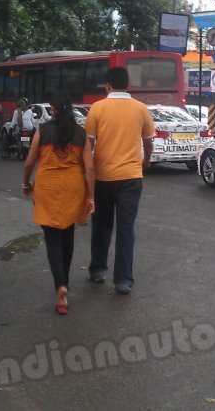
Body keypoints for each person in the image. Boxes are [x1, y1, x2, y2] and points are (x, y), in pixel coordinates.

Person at [23, 93, 95, 314]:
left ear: (52, 109)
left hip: (48, 185)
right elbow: (90, 168)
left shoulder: (43, 130)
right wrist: (91, 196)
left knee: (52, 237)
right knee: (68, 233)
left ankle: (60, 286)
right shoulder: (80, 133)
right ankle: (66, 281)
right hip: (73, 187)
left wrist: (26, 183)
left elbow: (29, 162)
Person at [85, 67, 155, 295]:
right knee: (126, 228)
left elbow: (89, 146)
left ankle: (98, 269)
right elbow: (148, 142)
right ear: (128, 85)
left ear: (108, 85)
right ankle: (123, 280)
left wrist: (87, 171)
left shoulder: (97, 108)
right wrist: (145, 162)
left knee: (101, 224)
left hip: (103, 177)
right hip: (131, 178)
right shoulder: (141, 109)